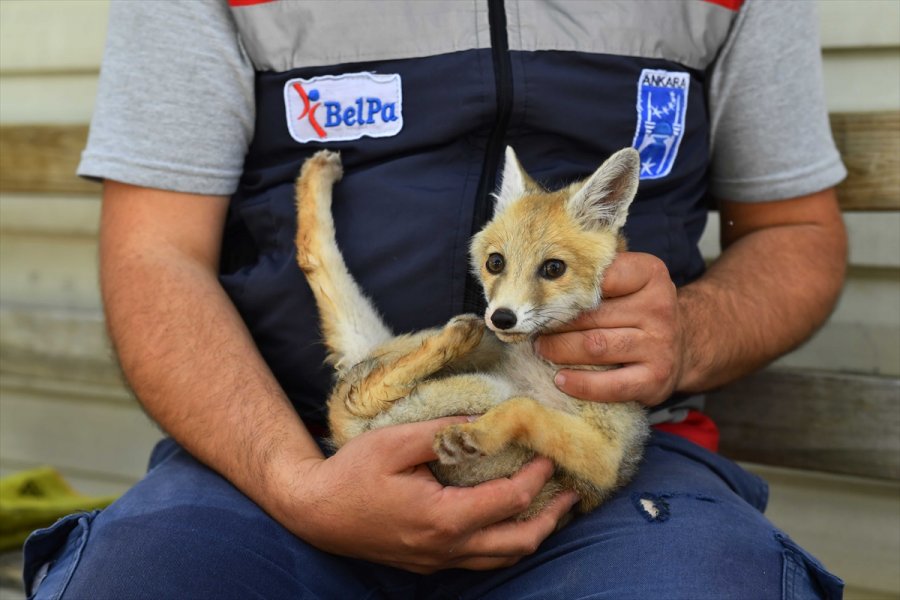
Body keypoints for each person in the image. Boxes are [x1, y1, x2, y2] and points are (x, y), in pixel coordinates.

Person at [24, 1, 848, 598]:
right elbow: (154, 256)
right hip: (279, 448)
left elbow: (796, 235)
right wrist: (296, 484)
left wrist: (688, 336)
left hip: (615, 476)